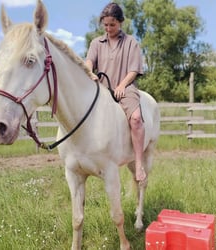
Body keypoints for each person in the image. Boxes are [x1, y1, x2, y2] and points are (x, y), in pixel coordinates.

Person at [85, 2, 146, 181]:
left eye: (112, 24)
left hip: (125, 88)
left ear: (120, 22)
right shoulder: (96, 43)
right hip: (102, 88)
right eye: (105, 25)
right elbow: (89, 61)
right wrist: (89, 71)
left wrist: (121, 85)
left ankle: (139, 164)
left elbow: (134, 70)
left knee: (135, 119)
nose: (109, 28)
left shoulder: (131, 43)